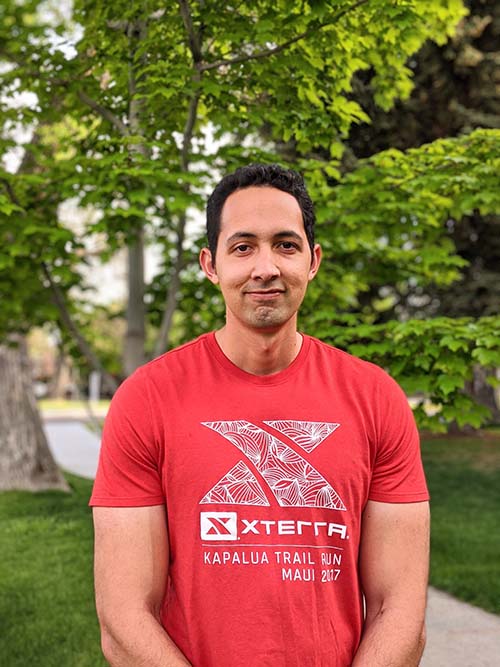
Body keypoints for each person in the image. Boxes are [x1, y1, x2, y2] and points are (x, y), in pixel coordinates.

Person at [90, 163, 430, 667]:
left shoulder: (375, 398)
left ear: (313, 261)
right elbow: (124, 617)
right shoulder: (148, 399)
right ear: (211, 264)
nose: (265, 267)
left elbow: (399, 609)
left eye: (286, 245)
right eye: (243, 246)